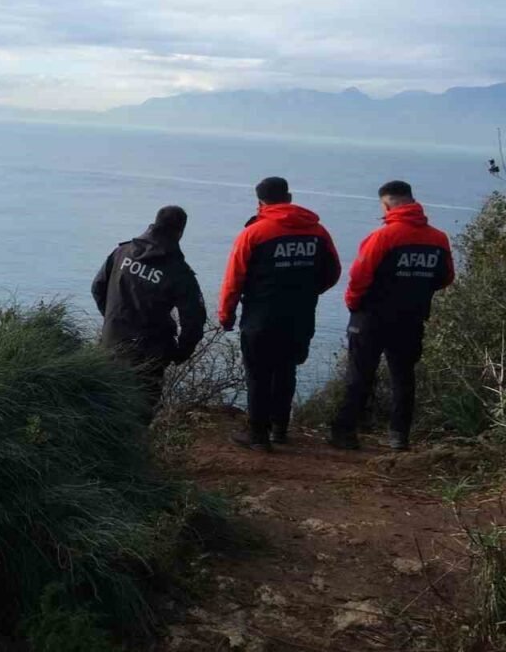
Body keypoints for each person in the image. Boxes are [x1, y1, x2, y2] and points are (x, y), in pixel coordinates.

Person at [329, 181, 455, 451]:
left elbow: (359, 276)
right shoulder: (438, 238)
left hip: (371, 316)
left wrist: (353, 304)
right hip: (411, 317)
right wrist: (417, 289)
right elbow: (446, 277)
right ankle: (399, 436)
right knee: (403, 377)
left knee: (360, 375)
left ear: (387, 205)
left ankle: (346, 432)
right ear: (412, 201)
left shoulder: (383, 237)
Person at [219, 177, 341, 451]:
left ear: (260, 202)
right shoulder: (318, 232)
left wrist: (226, 315)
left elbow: (233, 279)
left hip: (261, 315)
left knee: (258, 374)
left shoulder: (254, 233)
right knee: (286, 369)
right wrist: (309, 292)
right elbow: (333, 271)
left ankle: (258, 435)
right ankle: (279, 430)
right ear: (289, 197)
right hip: (300, 314)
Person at [91, 205, 206, 420]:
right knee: (140, 412)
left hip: (111, 343)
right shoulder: (179, 272)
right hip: (149, 353)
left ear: (154, 224)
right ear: (180, 232)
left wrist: (112, 320)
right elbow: (194, 319)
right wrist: (181, 352)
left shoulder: (121, 253)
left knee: (107, 407)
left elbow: (98, 288)